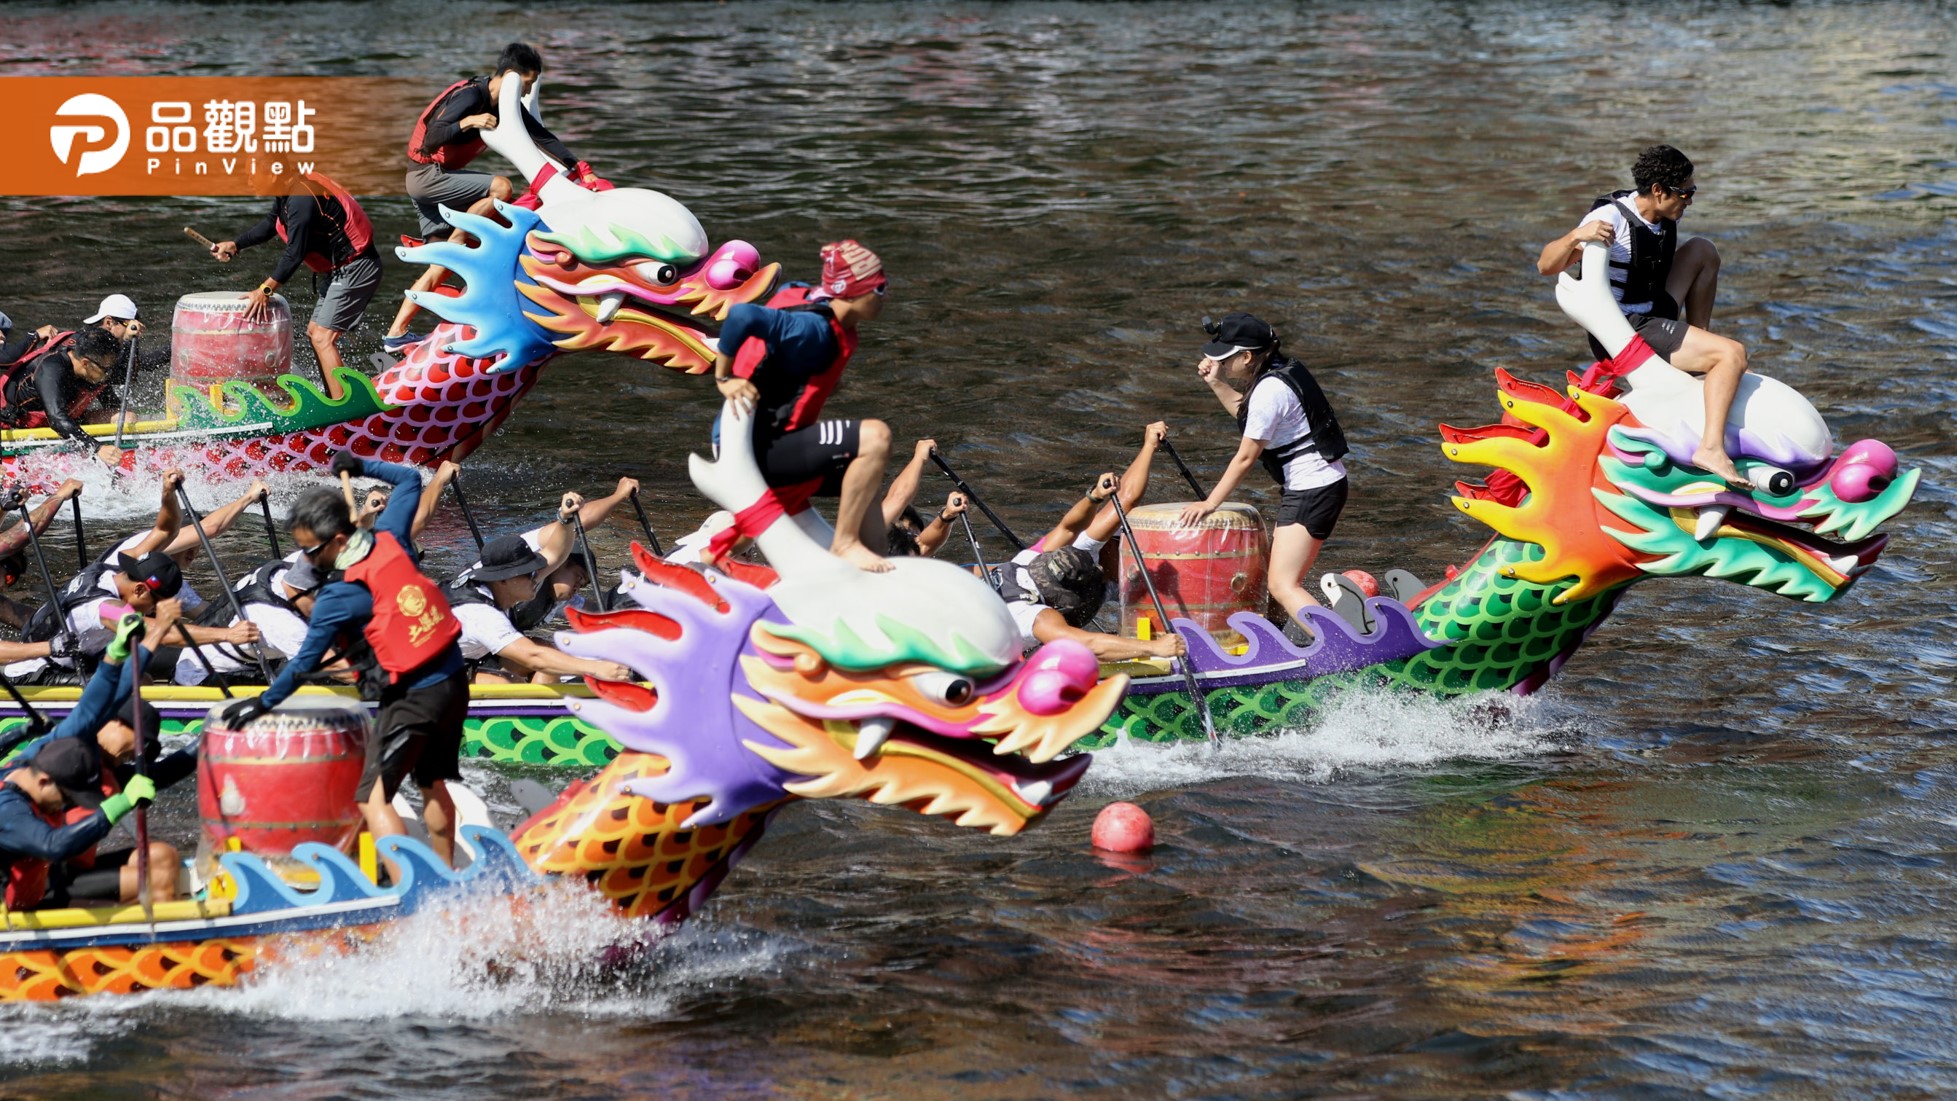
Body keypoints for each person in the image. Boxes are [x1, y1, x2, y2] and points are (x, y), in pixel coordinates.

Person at [220, 452, 471, 872]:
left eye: (309, 550)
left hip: (415, 695)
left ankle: (416, 890)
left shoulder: (336, 599)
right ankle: (447, 879)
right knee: (431, 783)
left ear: (338, 541)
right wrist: (360, 465)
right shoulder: (393, 537)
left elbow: (302, 664)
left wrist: (263, 704)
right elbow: (409, 479)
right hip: (453, 677)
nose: (304, 559)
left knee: (371, 797)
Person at [1537, 144, 1751, 488]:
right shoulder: (1609, 220)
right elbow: (1545, 265)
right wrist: (1577, 236)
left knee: (1703, 251)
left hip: (1654, 310)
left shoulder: (1661, 215)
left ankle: (1700, 356)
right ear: (1657, 191)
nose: (1690, 201)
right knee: (1733, 353)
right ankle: (1710, 448)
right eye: (1686, 193)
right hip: (1626, 331)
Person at [385, 42, 599, 351]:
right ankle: (460, 239)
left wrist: (580, 168)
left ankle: (395, 335)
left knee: (442, 265)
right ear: (512, 76)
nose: (526, 93)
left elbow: (540, 136)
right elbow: (433, 137)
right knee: (501, 187)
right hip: (425, 176)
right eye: (526, 84)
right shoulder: (472, 95)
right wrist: (468, 121)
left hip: (433, 181)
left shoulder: (504, 105)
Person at [714, 240, 893, 572]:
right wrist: (724, 377)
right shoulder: (813, 329)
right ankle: (846, 544)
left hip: (775, 441)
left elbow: (785, 310)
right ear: (853, 293)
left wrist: (811, 376)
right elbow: (742, 315)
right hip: (754, 447)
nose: (886, 296)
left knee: (866, 476)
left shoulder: (815, 303)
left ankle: (877, 572)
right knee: (875, 438)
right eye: (880, 288)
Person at [1180, 312, 1351, 630]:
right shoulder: (1277, 374)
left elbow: (1245, 458)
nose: (1224, 365)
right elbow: (1252, 419)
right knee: (1278, 575)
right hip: (1316, 485)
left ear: (1246, 356)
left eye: (1227, 359)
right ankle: (1276, 639)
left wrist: (1210, 504)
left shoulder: (1269, 391)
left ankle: (1340, 653)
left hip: (1313, 489)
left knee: (1283, 585)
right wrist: (1217, 382)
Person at [9, 472, 260, 683]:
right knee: (137, 683)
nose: (151, 610)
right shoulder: (107, 609)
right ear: (140, 590)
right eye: (153, 605)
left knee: (143, 679)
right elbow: (161, 631)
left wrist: (167, 493)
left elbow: (166, 529)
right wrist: (227, 636)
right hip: (35, 672)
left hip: (79, 656)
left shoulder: (118, 566)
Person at [0, 613, 164, 910]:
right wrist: (120, 804)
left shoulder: (36, 756)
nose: (65, 806)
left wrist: (116, 655)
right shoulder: (9, 812)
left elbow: (93, 708)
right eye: (66, 797)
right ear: (44, 780)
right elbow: (54, 845)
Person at [997, 426, 1187, 663]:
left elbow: (1077, 522)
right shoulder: (1035, 617)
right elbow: (1090, 644)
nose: (1130, 552)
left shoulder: (1039, 558)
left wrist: (1095, 496)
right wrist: (1154, 649)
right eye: (1120, 544)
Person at [210, 170, 382, 400]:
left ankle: (345, 408)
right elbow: (273, 222)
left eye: (254, 175)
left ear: (273, 174)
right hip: (338, 271)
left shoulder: (302, 198)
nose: (249, 180)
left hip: (357, 267)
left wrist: (266, 290)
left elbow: (295, 253)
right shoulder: (287, 194)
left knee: (323, 337)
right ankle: (334, 398)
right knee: (314, 334)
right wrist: (237, 244)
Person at [442, 531, 635, 685]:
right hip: (429, 681)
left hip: (469, 662)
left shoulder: (499, 593)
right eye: (528, 574)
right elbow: (532, 656)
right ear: (503, 580)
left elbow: (556, 553)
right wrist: (596, 668)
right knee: (508, 685)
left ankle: (544, 711)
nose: (536, 578)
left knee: (546, 656)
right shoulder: (481, 613)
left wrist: (566, 520)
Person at [0, 326, 124, 464]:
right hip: (18, 429)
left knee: (124, 417)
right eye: (107, 369)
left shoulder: (88, 360)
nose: (109, 374)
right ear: (86, 363)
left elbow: (112, 404)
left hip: (62, 421)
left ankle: (122, 454)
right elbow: (57, 420)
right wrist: (97, 448)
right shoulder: (51, 369)